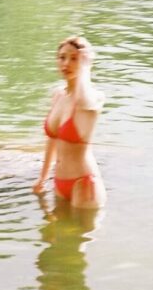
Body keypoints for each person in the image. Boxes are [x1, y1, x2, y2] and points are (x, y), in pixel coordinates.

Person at [33, 36, 106, 208]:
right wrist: (43, 177)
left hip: (84, 184)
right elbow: (52, 140)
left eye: (74, 58)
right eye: (62, 57)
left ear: (85, 61)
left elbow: (82, 100)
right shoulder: (58, 95)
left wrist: (85, 67)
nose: (66, 63)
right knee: (53, 226)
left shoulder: (94, 97)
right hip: (59, 183)